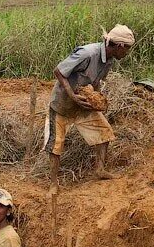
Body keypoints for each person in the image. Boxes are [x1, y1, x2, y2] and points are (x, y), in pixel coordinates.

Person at [45, 24, 135, 187]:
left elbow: (96, 82)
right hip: (63, 104)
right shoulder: (87, 53)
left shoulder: (108, 61)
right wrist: (73, 96)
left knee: (104, 133)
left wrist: (97, 98)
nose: (127, 53)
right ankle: (53, 184)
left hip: (83, 105)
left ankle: (99, 170)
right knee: (56, 145)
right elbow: (58, 71)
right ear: (120, 46)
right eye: (127, 49)